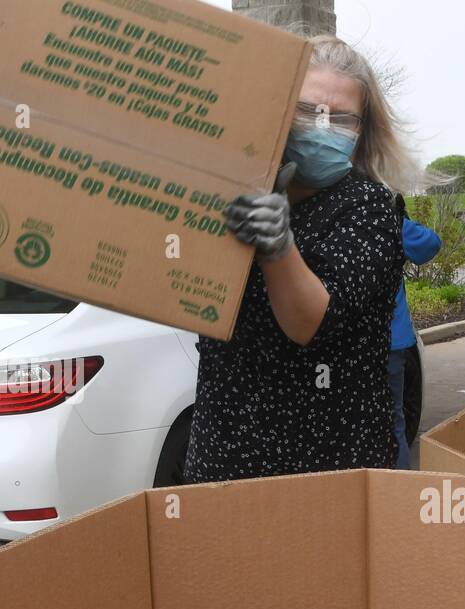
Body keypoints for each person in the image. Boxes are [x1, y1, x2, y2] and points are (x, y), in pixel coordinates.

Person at [183, 36, 414, 483]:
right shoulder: (235, 192)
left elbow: (312, 323)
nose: (322, 127)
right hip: (223, 458)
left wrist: (277, 246)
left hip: (326, 471)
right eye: (307, 111)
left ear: (362, 131)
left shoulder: (367, 208)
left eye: (340, 117)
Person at [389, 198, 440, 470]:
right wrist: (401, 218)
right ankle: (397, 489)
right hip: (391, 342)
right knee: (393, 423)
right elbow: (429, 244)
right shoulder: (386, 219)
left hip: (335, 341)